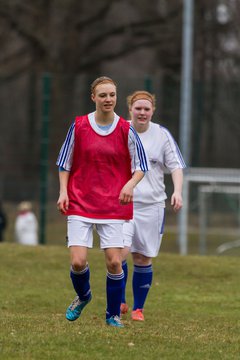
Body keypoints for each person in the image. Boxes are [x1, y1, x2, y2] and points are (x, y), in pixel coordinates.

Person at [56, 76, 149, 328]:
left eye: (112, 95)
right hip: (80, 200)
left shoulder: (126, 130)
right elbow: (64, 164)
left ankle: (112, 315)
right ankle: (84, 295)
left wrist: (130, 184)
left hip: (112, 204)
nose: (108, 99)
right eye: (103, 95)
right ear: (93, 98)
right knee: (77, 261)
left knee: (115, 261)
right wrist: (63, 192)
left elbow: (141, 166)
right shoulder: (78, 126)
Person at [121, 90, 186, 321]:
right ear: (130, 109)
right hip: (122, 203)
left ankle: (138, 308)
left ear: (152, 111)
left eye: (146, 109)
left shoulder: (162, 135)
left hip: (152, 205)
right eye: (137, 108)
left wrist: (177, 191)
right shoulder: (121, 130)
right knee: (119, 253)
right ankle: (120, 301)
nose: (142, 112)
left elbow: (176, 166)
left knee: (142, 257)